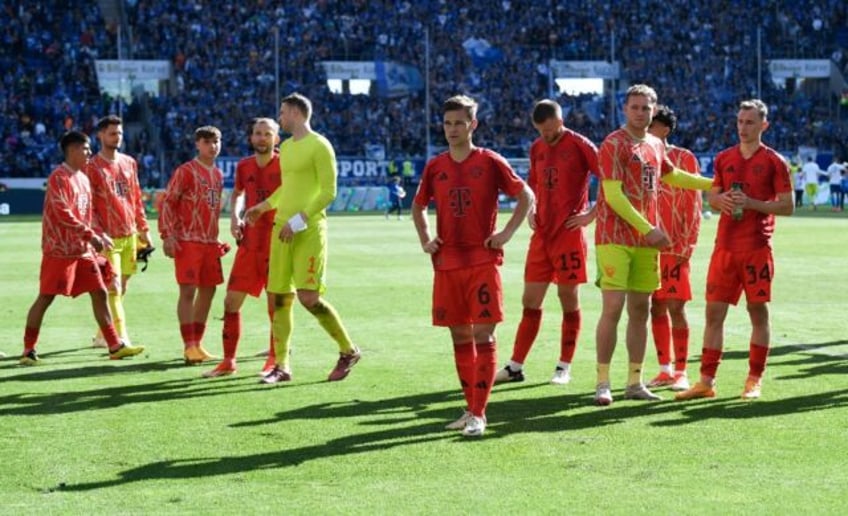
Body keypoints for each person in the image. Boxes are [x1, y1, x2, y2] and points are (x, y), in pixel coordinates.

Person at [412, 95, 534, 437]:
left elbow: (526, 195)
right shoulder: (435, 166)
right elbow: (418, 205)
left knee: (484, 334)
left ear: (473, 125)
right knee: (460, 335)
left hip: (482, 261)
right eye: (448, 123)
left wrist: (506, 233)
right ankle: (470, 409)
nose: (452, 129)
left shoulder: (490, 161)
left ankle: (480, 414)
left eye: (459, 123)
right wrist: (426, 239)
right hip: (447, 264)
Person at [593, 84, 712, 406]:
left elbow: (674, 177)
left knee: (640, 311)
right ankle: (603, 382)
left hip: (645, 241)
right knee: (613, 308)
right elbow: (614, 196)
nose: (640, 113)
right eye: (635, 107)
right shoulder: (613, 144)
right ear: (625, 109)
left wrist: (716, 183)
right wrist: (649, 228)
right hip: (614, 237)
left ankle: (634, 382)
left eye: (646, 108)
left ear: (654, 110)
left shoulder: (656, 144)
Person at [675, 99, 794, 401]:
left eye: (750, 122)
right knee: (714, 314)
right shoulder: (724, 158)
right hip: (725, 249)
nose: (743, 128)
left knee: (758, 314)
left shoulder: (774, 161)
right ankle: (705, 381)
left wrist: (752, 203)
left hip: (756, 248)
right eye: (740, 122)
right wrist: (721, 200)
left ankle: (754, 380)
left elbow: (788, 206)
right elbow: (712, 195)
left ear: (763, 125)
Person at [244, 93, 361, 384]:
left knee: (309, 299)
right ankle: (282, 366)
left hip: (307, 231)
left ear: (296, 112)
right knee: (280, 298)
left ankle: (348, 350)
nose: (280, 117)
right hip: (281, 229)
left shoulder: (320, 146)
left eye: (282, 112)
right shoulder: (285, 146)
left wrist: (298, 221)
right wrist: (264, 206)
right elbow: (288, 187)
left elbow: (328, 192)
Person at [494, 99, 597, 386]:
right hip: (542, 236)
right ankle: (515, 366)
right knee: (530, 301)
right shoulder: (537, 148)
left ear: (561, 121)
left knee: (568, 299)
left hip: (568, 235)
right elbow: (534, 185)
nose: (547, 136)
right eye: (542, 131)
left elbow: (613, 179)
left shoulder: (581, 145)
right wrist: (531, 209)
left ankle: (564, 366)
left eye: (552, 130)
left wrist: (591, 214)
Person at [19, 130, 144, 365]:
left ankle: (114, 345)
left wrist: (98, 235)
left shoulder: (83, 178)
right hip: (60, 250)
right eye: (85, 148)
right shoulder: (59, 177)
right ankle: (28, 349)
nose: (89, 153)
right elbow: (61, 212)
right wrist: (90, 234)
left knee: (100, 292)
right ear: (73, 150)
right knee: (46, 297)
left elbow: (86, 216)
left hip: (83, 250)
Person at [203, 118, 281, 378]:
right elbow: (237, 194)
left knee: (275, 305)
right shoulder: (243, 166)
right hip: (249, 244)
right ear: (251, 138)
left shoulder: (284, 165)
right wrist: (234, 217)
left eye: (267, 134)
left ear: (276, 139)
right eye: (257, 133)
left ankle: (273, 359)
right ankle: (228, 361)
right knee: (231, 302)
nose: (261, 138)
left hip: (276, 244)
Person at [644, 105, 702, 392]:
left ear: (664, 129)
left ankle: (681, 371)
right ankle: (664, 369)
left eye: (650, 123)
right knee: (655, 308)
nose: (644, 126)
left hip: (675, 246)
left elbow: (695, 204)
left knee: (676, 307)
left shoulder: (684, 158)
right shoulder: (641, 157)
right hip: (647, 246)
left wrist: (689, 243)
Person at [158, 126, 225, 365]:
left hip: (208, 243)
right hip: (187, 240)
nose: (212, 146)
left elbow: (213, 210)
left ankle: (198, 343)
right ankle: (189, 346)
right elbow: (168, 202)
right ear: (197, 144)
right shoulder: (186, 171)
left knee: (209, 290)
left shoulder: (218, 175)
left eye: (216, 141)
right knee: (188, 291)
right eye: (207, 142)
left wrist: (216, 238)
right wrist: (167, 234)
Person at [85, 115, 151, 348]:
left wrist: (143, 228)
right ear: (100, 135)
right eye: (112, 133)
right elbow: (88, 204)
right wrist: (96, 233)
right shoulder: (92, 167)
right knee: (114, 287)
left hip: (129, 233)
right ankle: (120, 338)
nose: (117, 137)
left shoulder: (129, 162)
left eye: (120, 133)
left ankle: (102, 334)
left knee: (123, 285)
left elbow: (135, 197)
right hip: (107, 237)